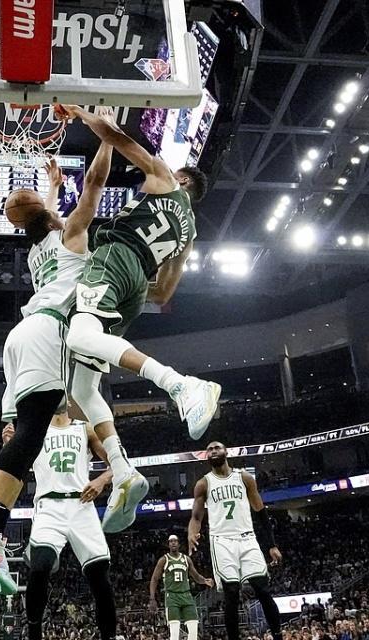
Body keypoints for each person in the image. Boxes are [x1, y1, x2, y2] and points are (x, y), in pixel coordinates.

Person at [0, 117, 117, 596]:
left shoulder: (38, 251)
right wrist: (108, 138)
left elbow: (48, 217)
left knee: (29, 433)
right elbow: (95, 184)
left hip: (22, 335)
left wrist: (52, 187)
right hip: (48, 333)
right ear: (52, 219)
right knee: (31, 434)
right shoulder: (71, 237)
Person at [55, 104, 222, 444]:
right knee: (82, 388)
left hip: (116, 256)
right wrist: (130, 280)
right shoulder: (189, 235)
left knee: (78, 337)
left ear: (183, 179)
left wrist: (81, 113)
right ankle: (121, 467)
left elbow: (113, 137)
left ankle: (180, 384)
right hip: (136, 287)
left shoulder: (165, 178)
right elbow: (162, 294)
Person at [2, 411, 117, 640]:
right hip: (49, 505)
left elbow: (117, 463)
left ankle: (110, 636)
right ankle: (34, 632)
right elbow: (13, 469)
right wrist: (8, 446)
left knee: (100, 578)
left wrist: (101, 480)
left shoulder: (85, 427)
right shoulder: (33, 429)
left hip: (81, 504)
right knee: (40, 567)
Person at [188, 441, 284, 640]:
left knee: (262, 589)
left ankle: (278, 635)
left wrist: (271, 545)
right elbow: (196, 517)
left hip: (247, 538)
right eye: (209, 450)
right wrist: (191, 533)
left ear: (226, 452)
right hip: (221, 541)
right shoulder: (204, 483)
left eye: (217, 448)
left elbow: (261, 512)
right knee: (231, 592)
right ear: (206, 456)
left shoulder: (244, 477)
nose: (213, 451)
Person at [149, 534, 214, 640]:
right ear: (168, 545)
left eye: (175, 541)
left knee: (193, 630)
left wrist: (205, 580)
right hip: (172, 596)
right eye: (171, 541)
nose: (173, 543)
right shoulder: (164, 560)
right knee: (174, 633)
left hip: (187, 596)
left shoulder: (186, 559)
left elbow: (196, 576)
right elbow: (154, 579)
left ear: (179, 544)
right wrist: (152, 598)